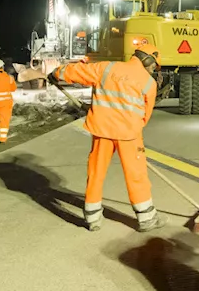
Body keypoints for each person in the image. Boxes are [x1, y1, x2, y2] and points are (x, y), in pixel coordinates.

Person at [49, 47, 165, 232]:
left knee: (96, 172)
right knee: (136, 175)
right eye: (154, 66)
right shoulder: (148, 84)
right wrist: (130, 124)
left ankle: (93, 218)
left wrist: (56, 73)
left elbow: (76, 71)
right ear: (148, 61)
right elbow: (145, 115)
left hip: (102, 130)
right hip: (129, 135)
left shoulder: (107, 68)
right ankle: (147, 218)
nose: (153, 70)